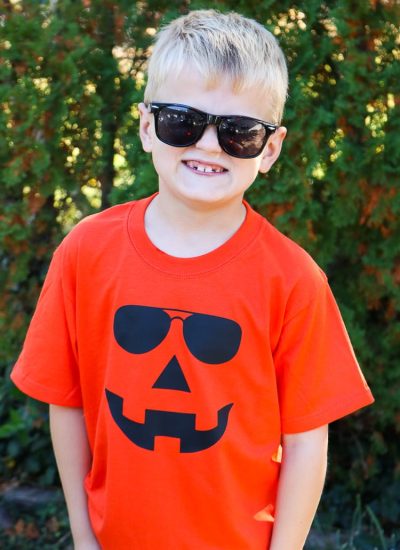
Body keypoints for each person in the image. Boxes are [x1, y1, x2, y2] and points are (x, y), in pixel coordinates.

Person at [11, 9, 374, 549]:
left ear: (269, 149)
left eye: (239, 132)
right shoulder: (86, 251)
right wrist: (84, 538)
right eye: (182, 120)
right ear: (146, 127)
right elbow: (66, 401)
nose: (207, 145)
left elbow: (305, 441)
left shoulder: (293, 279)